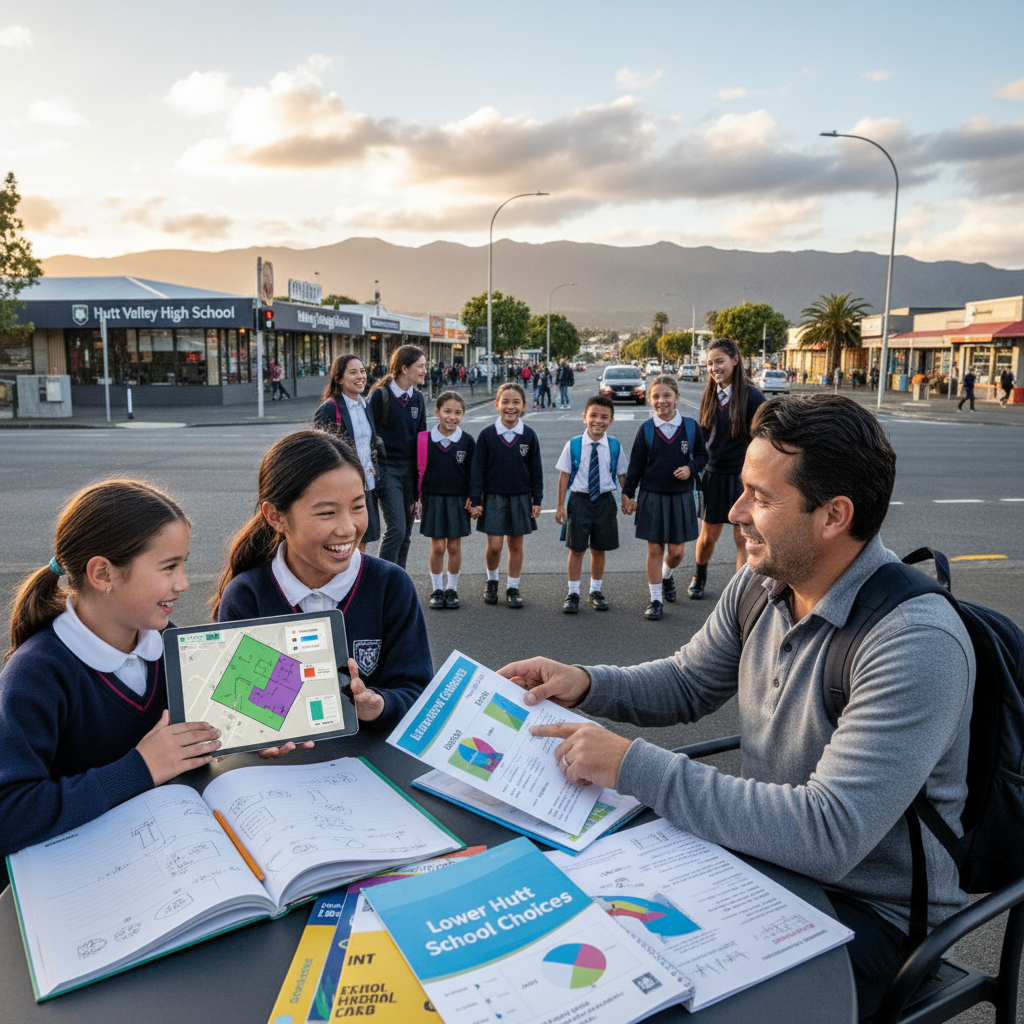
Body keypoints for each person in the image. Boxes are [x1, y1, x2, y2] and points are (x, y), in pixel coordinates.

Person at [501, 393, 974, 1020]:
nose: (734, 511)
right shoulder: (764, 580)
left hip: (869, 915)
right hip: (763, 866)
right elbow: (689, 681)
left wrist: (633, 766)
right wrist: (585, 682)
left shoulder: (914, 642)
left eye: (762, 497)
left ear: (834, 515)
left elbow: (828, 833)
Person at [0, 481, 227, 889]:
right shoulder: (35, 674)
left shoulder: (166, 642)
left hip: (164, 862)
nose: (184, 583)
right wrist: (140, 768)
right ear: (103, 573)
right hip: (78, 883)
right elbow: (10, 813)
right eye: (169, 567)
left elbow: (191, 745)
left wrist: (253, 738)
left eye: (184, 564)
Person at [213, 430, 431, 733]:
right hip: (282, 774)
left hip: (372, 771)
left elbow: (415, 689)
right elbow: (242, 714)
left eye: (358, 506)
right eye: (327, 512)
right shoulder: (249, 595)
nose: (347, 528)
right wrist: (258, 730)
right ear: (275, 516)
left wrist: (379, 703)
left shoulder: (390, 585)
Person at [622, 375, 709, 620]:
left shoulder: (691, 427)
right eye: (656, 397)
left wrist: (691, 468)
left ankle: (666, 576)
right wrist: (628, 494)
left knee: (678, 551)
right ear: (651, 400)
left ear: (677, 398)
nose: (662, 401)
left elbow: (704, 456)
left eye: (667, 396)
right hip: (652, 495)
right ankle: (655, 599)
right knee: (655, 548)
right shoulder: (646, 429)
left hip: (680, 496)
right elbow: (636, 465)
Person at [689, 338, 765, 600]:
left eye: (719, 361)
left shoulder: (753, 396)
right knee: (708, 536)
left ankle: (739, 592)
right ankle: (699, 576)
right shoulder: (710, 394)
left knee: (742, 538)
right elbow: (703, 433)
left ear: (735, 360)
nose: (714, 368)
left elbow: (763, 437)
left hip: (742, 478)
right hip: (713, 474)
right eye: (710, 363)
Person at [469, 383, 543, 609]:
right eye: (505, 402)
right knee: (494, 545)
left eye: (516, 402)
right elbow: (477, 470)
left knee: (516, 544)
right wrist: (476, 500)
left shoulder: (529, 435)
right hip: (493, 498)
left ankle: (513, 587)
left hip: (521, 497)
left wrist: (537, 499)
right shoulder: (487, 435)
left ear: (524, 406)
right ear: (496, 405)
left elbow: (536, 470)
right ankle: (492, 581)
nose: (510, 407)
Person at [554, 395, 628, 615]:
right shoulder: (574, 444)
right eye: (593, 415)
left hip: (605, 501)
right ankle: (573, 592)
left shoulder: (614, 446)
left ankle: (595, 591)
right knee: (576, 549)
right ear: (584, 417)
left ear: (611, 420)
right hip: (579, 501)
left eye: (604, 417)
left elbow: (622, 474)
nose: (598, 420)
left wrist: (627, 497)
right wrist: (561, 505)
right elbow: (564, 477)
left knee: (599, 549)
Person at [313, 354, 382, 552]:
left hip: (366, 482)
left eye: (362, 371)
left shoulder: (365, 405)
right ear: (340, 378)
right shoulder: (328, 409)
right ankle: (345, 580)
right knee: (346, 539)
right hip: (342, 486)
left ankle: (356, 580)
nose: (360, 376)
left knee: (363, 538)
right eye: (353, 372)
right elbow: (319, 453)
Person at [368, 345, 428, 568]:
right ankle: (384, 581)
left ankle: (398, 582)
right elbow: (368, 434)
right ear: (404, 368)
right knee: (397, 529)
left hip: (410, 472)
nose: (424, 370)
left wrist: (420, 484)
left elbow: (421, 441)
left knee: (406, 533)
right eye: (420, 366)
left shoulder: (418, 399)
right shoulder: (380, 396)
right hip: (387, 469)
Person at [420, 391, 476, 611]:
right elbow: (418, 472)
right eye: (447, 411)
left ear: (463, 415)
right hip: (433, 498)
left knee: (453, 545)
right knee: (437, 546)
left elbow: (474, 472)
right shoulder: (425, 440)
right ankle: (437, 589)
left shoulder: (467, 440)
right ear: (437, 412)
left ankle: (451, 589)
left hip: (458, 499)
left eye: (458, 412)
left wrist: (474, 496)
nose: (452, 417)